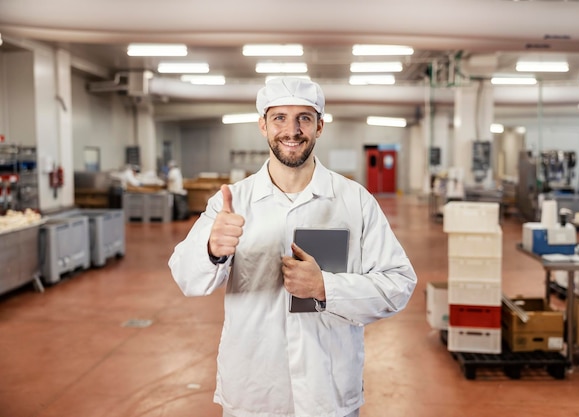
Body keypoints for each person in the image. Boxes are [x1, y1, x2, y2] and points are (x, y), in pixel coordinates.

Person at [168, 77, 417, 417]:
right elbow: (185, 276)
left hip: (327, 391)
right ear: (263, 125)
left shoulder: (354, 201)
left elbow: (399, 283)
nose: (292, 129)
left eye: (304, 117)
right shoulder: (233, 201)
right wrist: (211, 249)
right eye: (280, 117)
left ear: (320, 126)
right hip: (254, 390)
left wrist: (326, 287)